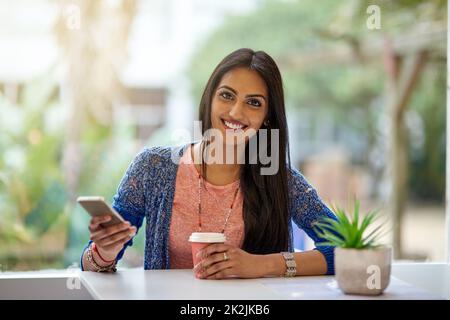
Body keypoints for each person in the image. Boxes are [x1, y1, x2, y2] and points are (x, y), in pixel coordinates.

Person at [81, 48, 337, 279]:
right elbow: (91, 265)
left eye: (253, 103)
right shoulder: (153, 167)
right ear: (209, 99)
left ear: (267, 119)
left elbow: (346, 249)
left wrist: (260, 265)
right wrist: (104, 251)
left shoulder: (280, 179)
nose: (236, 112)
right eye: (227, 96)